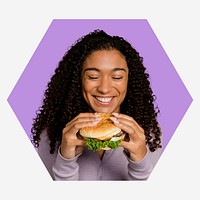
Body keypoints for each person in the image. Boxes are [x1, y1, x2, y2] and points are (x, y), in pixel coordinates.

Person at [31, 29, 162, 181]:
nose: (104, 88)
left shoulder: (150, 134)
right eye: (93, 76)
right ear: (78, 80)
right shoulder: (51, 136)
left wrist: (140, 163)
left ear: (129, 81)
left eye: (117, 77)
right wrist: (65, 160)